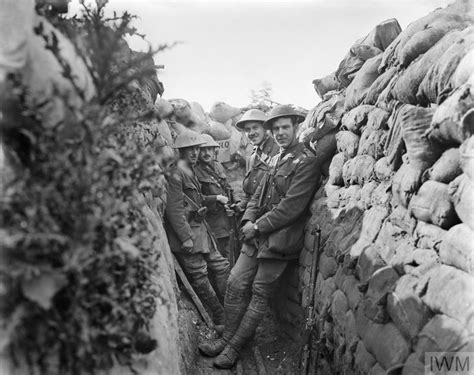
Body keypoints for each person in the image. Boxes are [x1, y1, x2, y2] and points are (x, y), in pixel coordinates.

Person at [198, 105, 322, 368]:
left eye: (285, 127)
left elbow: (292, 207)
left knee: (258, 294)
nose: (280, 133)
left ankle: (232, 348)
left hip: (281, 239)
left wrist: (257, 226)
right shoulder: (276, 159)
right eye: (275, 129)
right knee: (234, 282)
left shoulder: (307, 162)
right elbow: (257, 196)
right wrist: (248, 219)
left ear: (296, 128)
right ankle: (228, 337)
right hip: (258, 234)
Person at [164, 129, 230, 328]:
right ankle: (220, 316)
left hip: (200, 229)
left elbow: (196, 199)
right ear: (180, 151)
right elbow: (174, 210)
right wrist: (185, 238)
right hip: (187, 234)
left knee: (221, 266)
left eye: (196, 148)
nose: (194, 153)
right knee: (200, 275)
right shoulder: (176, 173)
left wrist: (215, 199)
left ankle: (229, 309)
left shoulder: (188, 170)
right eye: (189, 149)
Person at [195, 134, 235, 259]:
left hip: (227, 221)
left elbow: (228, 187)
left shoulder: (218, 166)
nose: (206, 153)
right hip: (211, 223)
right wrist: (216, 198)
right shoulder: (194, 171)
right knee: (218, 258)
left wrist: (236, 202)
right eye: (203, 150)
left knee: (231, 255)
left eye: (209, 149)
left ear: (214, 150)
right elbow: (195, 198)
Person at [234, 109, 280, 212]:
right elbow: (250, 194)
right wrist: (240, 206)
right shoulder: (252, 157)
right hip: (254, 211)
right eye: (247, 129)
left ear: (265, 128)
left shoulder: (278, 151)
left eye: (255, 128)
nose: (251, 133)